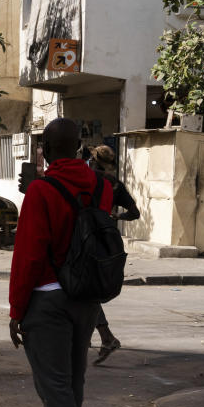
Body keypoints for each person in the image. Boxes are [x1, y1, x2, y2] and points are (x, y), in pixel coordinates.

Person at [9, 118, 112, 407]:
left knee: (53, 387)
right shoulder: (101, 186)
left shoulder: (41, 190)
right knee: (73, 381)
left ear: (47, 150)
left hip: (47, 298)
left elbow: (28, 255)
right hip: (85, 297)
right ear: (79, 146)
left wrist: (16, 309)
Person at [88, 144, 139, 365]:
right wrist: (116, 217)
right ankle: (101, 336)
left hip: (86, 239)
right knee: (87, 290)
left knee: (83, 290)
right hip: (107, 243)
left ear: (93, 158)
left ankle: (105, 336)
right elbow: (134, 213)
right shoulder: (114, 184)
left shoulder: (89, 178)